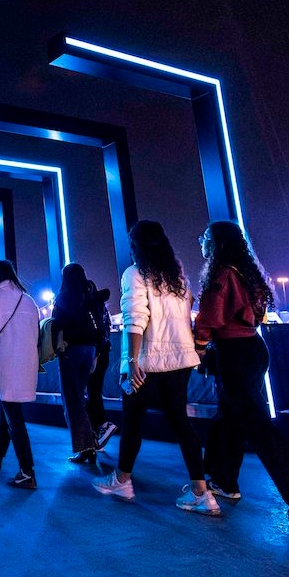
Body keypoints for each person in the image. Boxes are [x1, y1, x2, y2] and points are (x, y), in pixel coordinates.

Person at [194, 220, 289, 521]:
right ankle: (223, 480)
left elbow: (210, 316)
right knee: (230, 417)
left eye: (206, 237)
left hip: (233, 352)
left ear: (217, 243)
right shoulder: (248, 275)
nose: (201, 241)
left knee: (257, 426)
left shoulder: (222, 276)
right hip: (253, 348)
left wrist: (199, 346)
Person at [92, 221, 216, 515]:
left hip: (148, 361)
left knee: (133, 418)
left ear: (136, 246)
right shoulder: (178, 280)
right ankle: (202, 492)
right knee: (180, 422)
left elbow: (135, 319)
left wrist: (131, 361)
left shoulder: (135, 274)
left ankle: (122, 480)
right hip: (180, 361)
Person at [0, 259, 42, 489]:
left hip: (3, 365)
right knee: (10, 410)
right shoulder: (29, 300)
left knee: (15, 419)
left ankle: (27, 471)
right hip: (26, 364)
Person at [50, 263, 101, 464]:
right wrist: (96, 354)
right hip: (89, 350)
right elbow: (98, 325)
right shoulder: (89, 295)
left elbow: (56, 323)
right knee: (79, 396)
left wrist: (57, 344)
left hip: (71, 349)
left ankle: (86, 445)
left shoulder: (63, 296)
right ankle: (89, 441)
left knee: (71, 399)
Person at [84, 279, 116, 449]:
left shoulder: (92, 307)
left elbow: (96, 333)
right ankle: (96, 437)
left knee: (92, 394)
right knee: (93, 393)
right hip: (102, 353)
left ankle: (103, 426)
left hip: (95, 354)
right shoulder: (101, 306)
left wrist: (94, 356)